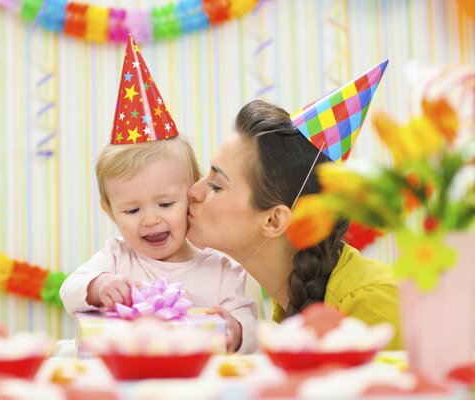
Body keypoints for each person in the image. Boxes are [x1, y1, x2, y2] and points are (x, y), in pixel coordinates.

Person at [59, 36, 257, 354]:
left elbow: (249, 324)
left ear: (192, 195)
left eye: (165, 204)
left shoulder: (221, 268)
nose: (150, 219)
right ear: (109, 211)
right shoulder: (116, 258)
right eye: (131, 211)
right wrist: (99, 286)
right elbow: (70, 290)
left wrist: (235, 329)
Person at [187, 99, 402, 350]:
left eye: (216, 185)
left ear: (274, 220)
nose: (193, 191)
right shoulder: (291, 301)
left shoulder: (372, 304)